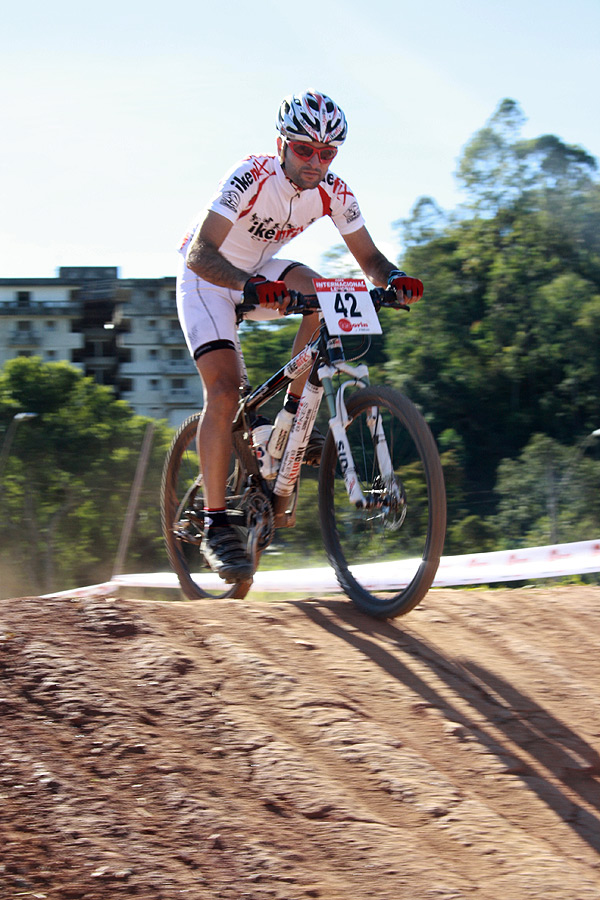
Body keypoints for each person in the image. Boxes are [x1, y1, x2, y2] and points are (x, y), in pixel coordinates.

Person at [176, 89, 424, 584]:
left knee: (327, 290)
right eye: (305, 150)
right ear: (282, 144)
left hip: (262, 273)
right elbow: (200, 252)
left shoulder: (335, 191)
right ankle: (216, 522)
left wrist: (394, 279)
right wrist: (248, 285)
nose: (315, 162)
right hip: (208, 280)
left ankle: (292, 417)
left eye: (327, 153)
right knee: (224, 393)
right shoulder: (252, 175)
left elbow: (370, 260)